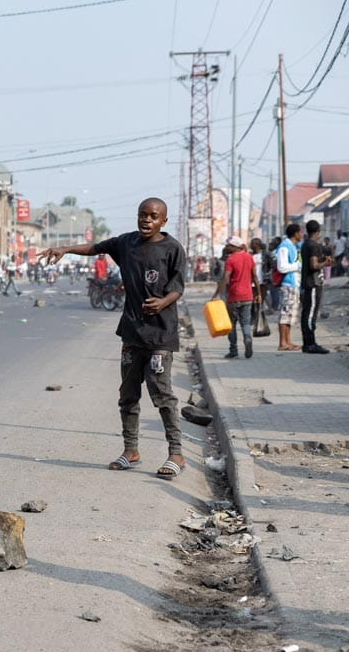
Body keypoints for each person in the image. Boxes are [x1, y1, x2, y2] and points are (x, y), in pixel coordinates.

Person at [40, 198, 187, 480]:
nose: (146, 220)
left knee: (162, 395)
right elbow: (95, 248)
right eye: (142, 215)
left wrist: (163, 302)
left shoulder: (172, 249)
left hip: (160, 335)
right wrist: (65, 249)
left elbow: (178, 288)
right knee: (128, 395)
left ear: (163, 221)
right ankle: (130, 450)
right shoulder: (126, 243)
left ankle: (176, 453)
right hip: (131, 334)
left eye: (153, 216)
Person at [211, 236, 260, 359]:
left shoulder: (230, 260)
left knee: (231, 324)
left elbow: (225, 278)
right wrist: (258, 294)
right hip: (248, 295)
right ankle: (247, 338)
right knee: (245, 322)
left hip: (233, 296)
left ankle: (233, 350)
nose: (226, 247)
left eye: (228, 245)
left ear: (233, 246)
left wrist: (216, 294)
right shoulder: (249, 257)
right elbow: (255, 277)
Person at [300, 220, 333, 354]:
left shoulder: (305, 244)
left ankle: (307, 344)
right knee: (310, 315)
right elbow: (314, 265)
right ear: (318, 231)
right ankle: (311, 344)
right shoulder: (314, 246)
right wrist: (325, 263)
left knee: (307, 313)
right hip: (313, 284)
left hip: (308, 283)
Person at [275, 224, 303, 351]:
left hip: (294, 284)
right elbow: (282, 267)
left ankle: (288, 342)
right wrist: (297, 266)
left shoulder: (293, 246)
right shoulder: (284, 247)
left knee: (290, 315)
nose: (301, 234)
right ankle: (282, 343)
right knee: (285, 313)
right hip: (288, 284)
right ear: (295, 233)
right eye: (300, 232)